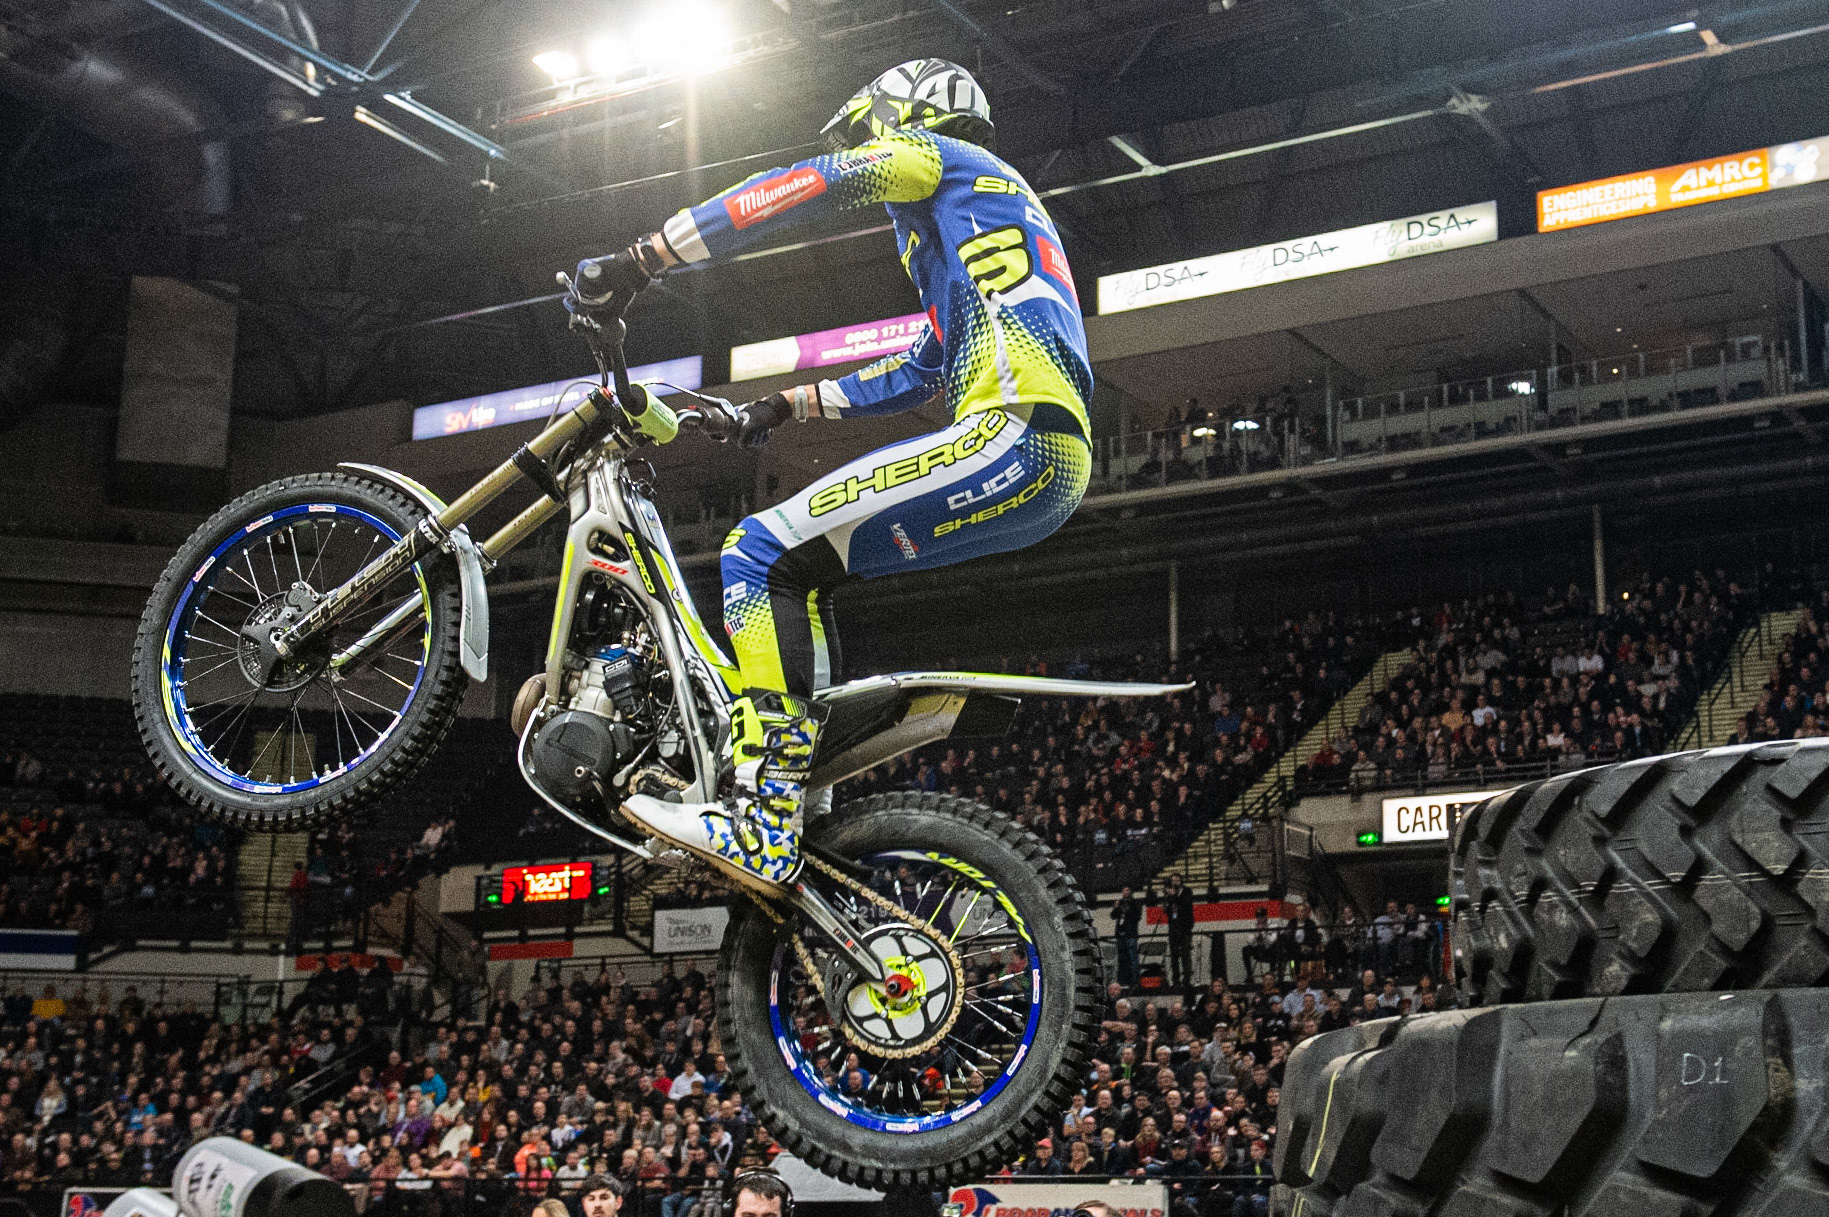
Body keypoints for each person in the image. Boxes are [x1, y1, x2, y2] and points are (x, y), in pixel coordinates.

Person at [580, 59, 1093, 890]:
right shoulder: (983, 216)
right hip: (1047, 458)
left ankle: (762, 814)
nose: (864, 151)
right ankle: (801, 806)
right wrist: (785, 404)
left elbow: (808, 184)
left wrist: (649, 255)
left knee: (757, 553)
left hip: (1010, 434)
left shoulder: (937, 158)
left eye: (866, 132)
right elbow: (923, 366)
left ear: (904, 116)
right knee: (801, 572)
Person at [1162, 875, 1195, 991]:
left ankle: (1186, 980)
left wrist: (1174, 895)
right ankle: (1176, 980)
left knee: (1185, 955)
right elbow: (1166, 910)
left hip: (1185, 927)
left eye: (1177, 880)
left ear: (1181, 881)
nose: (1175, 882)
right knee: (1174, 955)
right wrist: (1167, 898)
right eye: (1173, 880)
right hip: (1173, 927)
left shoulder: (1187, 891)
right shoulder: (1169, 894)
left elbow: (1184, 904)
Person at [1113, 887, 1142, 989]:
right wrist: (1116, 907)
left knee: (1133, 958)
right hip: (1121, 934)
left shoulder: (1135, 903)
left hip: (1131, 934)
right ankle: (1122, 981)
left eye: (1127, 890)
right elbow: (1113, 916)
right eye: (1124, 890)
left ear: (1131, 892)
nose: (1125, 892)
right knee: (1122, 959)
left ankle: (1135, 981)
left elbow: (1137, 917)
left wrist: (1127, 909)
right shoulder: (1120, 903)